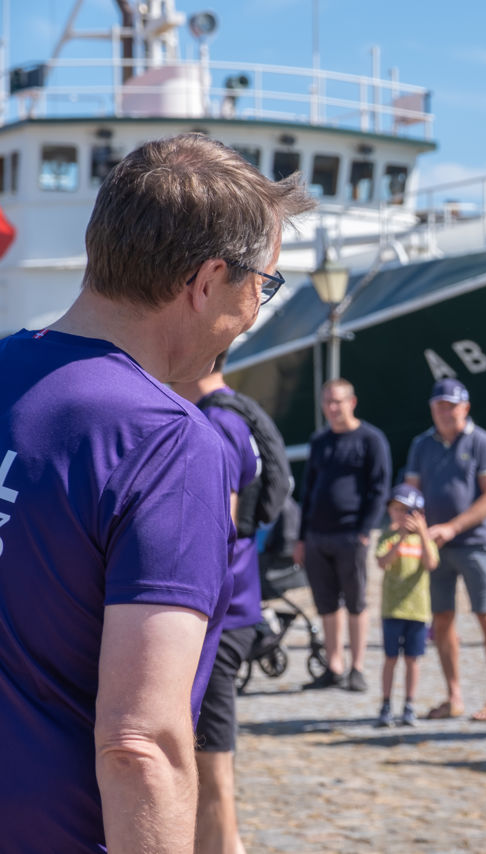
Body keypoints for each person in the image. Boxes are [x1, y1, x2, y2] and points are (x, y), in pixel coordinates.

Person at [0, 133, 313, 851]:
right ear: (208, 281)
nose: (255, 312)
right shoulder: (166, 442)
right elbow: (140, 744)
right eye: (262, 286)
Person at [171, 351, 265, 854]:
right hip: (238, 604)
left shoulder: (216, 423)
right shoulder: (236, 412)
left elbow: (218, 529)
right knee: (213, 763)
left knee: (212, 768)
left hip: (223, 614)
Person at [404, 378, 486, 721]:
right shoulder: (421, 444)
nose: (445, 413)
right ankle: (454, 697)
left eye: (451, 406)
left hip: (474, 543)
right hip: (434, 547)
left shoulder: (482, 442)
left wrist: (452, 527)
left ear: (466, 408)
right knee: (442, 618)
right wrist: (413, 530)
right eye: (439, 406)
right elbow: (411, 492)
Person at [294, 378, 392, 692]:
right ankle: (334, 665)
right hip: (317, 535)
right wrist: (301, 537)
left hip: (351, 535)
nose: (332, 408)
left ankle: (357, 668)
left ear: (352, 402)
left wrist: (364, 532)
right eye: (328, 402)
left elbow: (379, 489)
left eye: (338, 401)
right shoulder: (320, 441)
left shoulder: (370, 440)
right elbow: (308, 490)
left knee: (355, 602)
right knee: (326, 603)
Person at [375, 484, 440, 728]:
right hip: (392, 609)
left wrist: (422, 533)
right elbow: (382, 562)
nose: (401, 515)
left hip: (417, 611)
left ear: (419, 514)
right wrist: (400, 537)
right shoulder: (388, 536)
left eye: (406, 511)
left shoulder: (424, 540)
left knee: (413, 660)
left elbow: (431, 563)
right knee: (390, 658)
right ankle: (386, 704)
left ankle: (409, 705)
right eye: (396, 509)